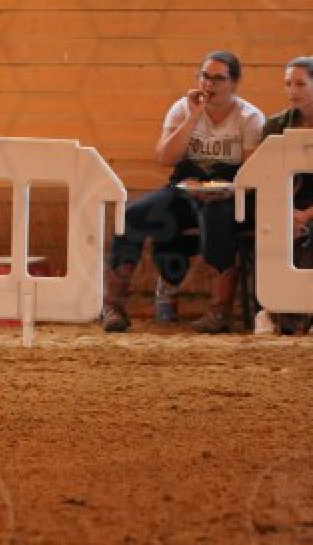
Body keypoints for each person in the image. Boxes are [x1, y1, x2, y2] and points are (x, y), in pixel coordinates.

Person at [99, 51, 263, 335]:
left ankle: (219, 311)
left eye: (218, 79)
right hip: (185, 187)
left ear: (234, 83)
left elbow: (250, 173)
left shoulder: (250, 118)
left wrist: (226, 191)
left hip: (229, 194)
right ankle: (112, 306)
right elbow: (165, 157)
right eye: (204, 77)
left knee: (217, 218)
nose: (209, 85)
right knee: (131, 216)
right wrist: (194, 116)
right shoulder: (182, 108)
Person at [250, 55, 313, 336]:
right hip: (283, 203)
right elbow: (265, 176)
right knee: (270, 231)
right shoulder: (275, 125)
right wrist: (284, 213)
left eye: (300, 84)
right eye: (288, 84)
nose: (292, 91)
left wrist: (305, 216)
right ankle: (269, 310)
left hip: (308, 209)